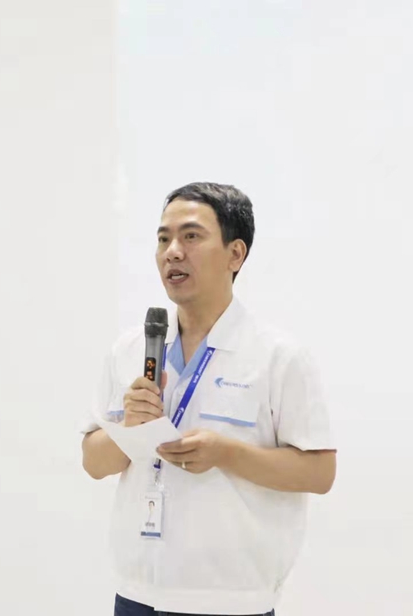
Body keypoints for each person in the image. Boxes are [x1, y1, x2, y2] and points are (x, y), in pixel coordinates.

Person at [80, 182, 336, 616]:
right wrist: (128, 428)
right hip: (136, 595)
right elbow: (93, 462)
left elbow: (320, 472)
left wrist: (227, 453)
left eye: (191, 236)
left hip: (230, 603)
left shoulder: (277, 356)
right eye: (163, 239)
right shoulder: (130, 349)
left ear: (235, 254)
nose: (172, 252)